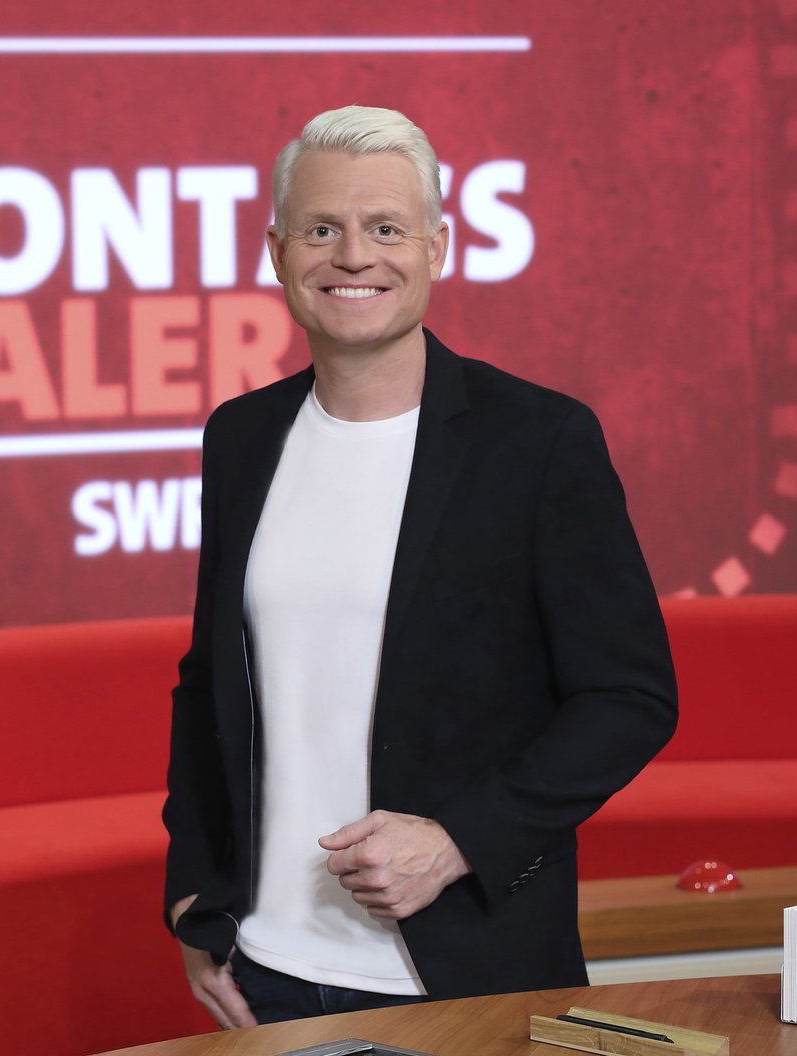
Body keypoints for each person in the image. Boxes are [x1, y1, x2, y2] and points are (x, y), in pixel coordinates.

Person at [162, 105, 678, 1029]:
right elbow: (210, 686)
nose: (354, 256)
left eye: (387, 229)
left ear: (437, 249)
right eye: (322, 229)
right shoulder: (239, 438)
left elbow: (628, 698)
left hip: (470, 974)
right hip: (266, 973)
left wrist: (458, 840)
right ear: (278, 253)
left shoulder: (540, 441)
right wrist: (194, 892)